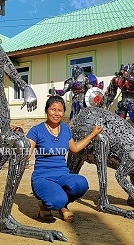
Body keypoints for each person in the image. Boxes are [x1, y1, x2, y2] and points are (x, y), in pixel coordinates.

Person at [27, 95, 103, 223]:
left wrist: (92, 134)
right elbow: (26, 152)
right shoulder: (36, 131)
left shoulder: (65, 129)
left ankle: (59, 204)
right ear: (46, 110)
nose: (56, 113)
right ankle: (50, 205)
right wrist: (17, 144)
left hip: (62, 175)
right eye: (53, 109)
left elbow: (74, 148)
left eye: (60, 110)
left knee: (81, 183)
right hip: (43, 177)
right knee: (57, 200)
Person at [105, 61, 134, 137]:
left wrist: (128, 78)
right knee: (119, 121)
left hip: (132, 102)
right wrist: (109, 101)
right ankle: (118, 137)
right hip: (123, 102)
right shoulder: (119, 80)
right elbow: (112, 90)